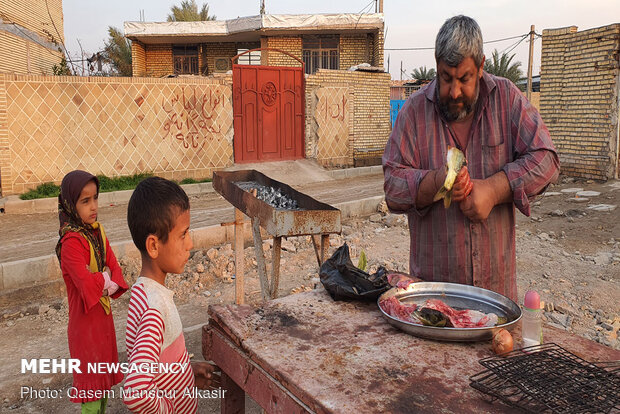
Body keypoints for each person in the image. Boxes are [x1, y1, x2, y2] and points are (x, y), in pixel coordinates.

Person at [382, 15, 560, 302]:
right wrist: (436, 182)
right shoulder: (414, 113)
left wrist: (494, 189)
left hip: (495, 300)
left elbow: (547, 160)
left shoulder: (507, 99)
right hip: (433, 300)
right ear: (437, 67)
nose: (454, 92)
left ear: (481, 67)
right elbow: (392, 187)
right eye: (445, 78)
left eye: (464, 79)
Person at [123, 177, 218, 413]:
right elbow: (136, 392)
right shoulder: (156, 309)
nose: (190, 243)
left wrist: (185, 372)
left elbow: (156, 362)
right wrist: (169, 409)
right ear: (154, 246)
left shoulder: (143, 292)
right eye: (183, 234)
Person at [55, 170, 128, 413]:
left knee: (104, 390)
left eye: (95, 198)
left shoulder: (98, 233)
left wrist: (103, 280)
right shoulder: (70, 243)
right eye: (85, 201)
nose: (94, 206)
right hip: (85, 328)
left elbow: (117, 273)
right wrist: (104, 279)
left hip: (103, 324)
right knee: (91, 397)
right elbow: (87, 285)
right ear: (69, 203)